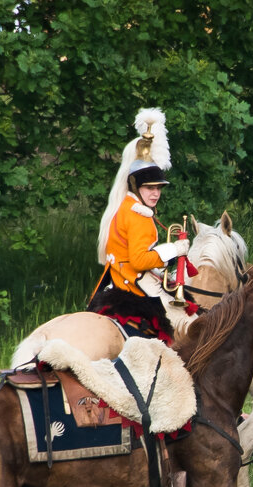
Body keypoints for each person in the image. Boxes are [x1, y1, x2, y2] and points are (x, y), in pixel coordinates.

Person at [89, 108, 194, 344]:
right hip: (132, 281)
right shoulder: (137, 215)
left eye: (158, 188)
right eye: (150, 188)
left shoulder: (127, 206)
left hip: (120, 276)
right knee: (183, 325)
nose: (155, 194)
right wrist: (173, 250)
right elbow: (138, 260)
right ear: (136, 187)